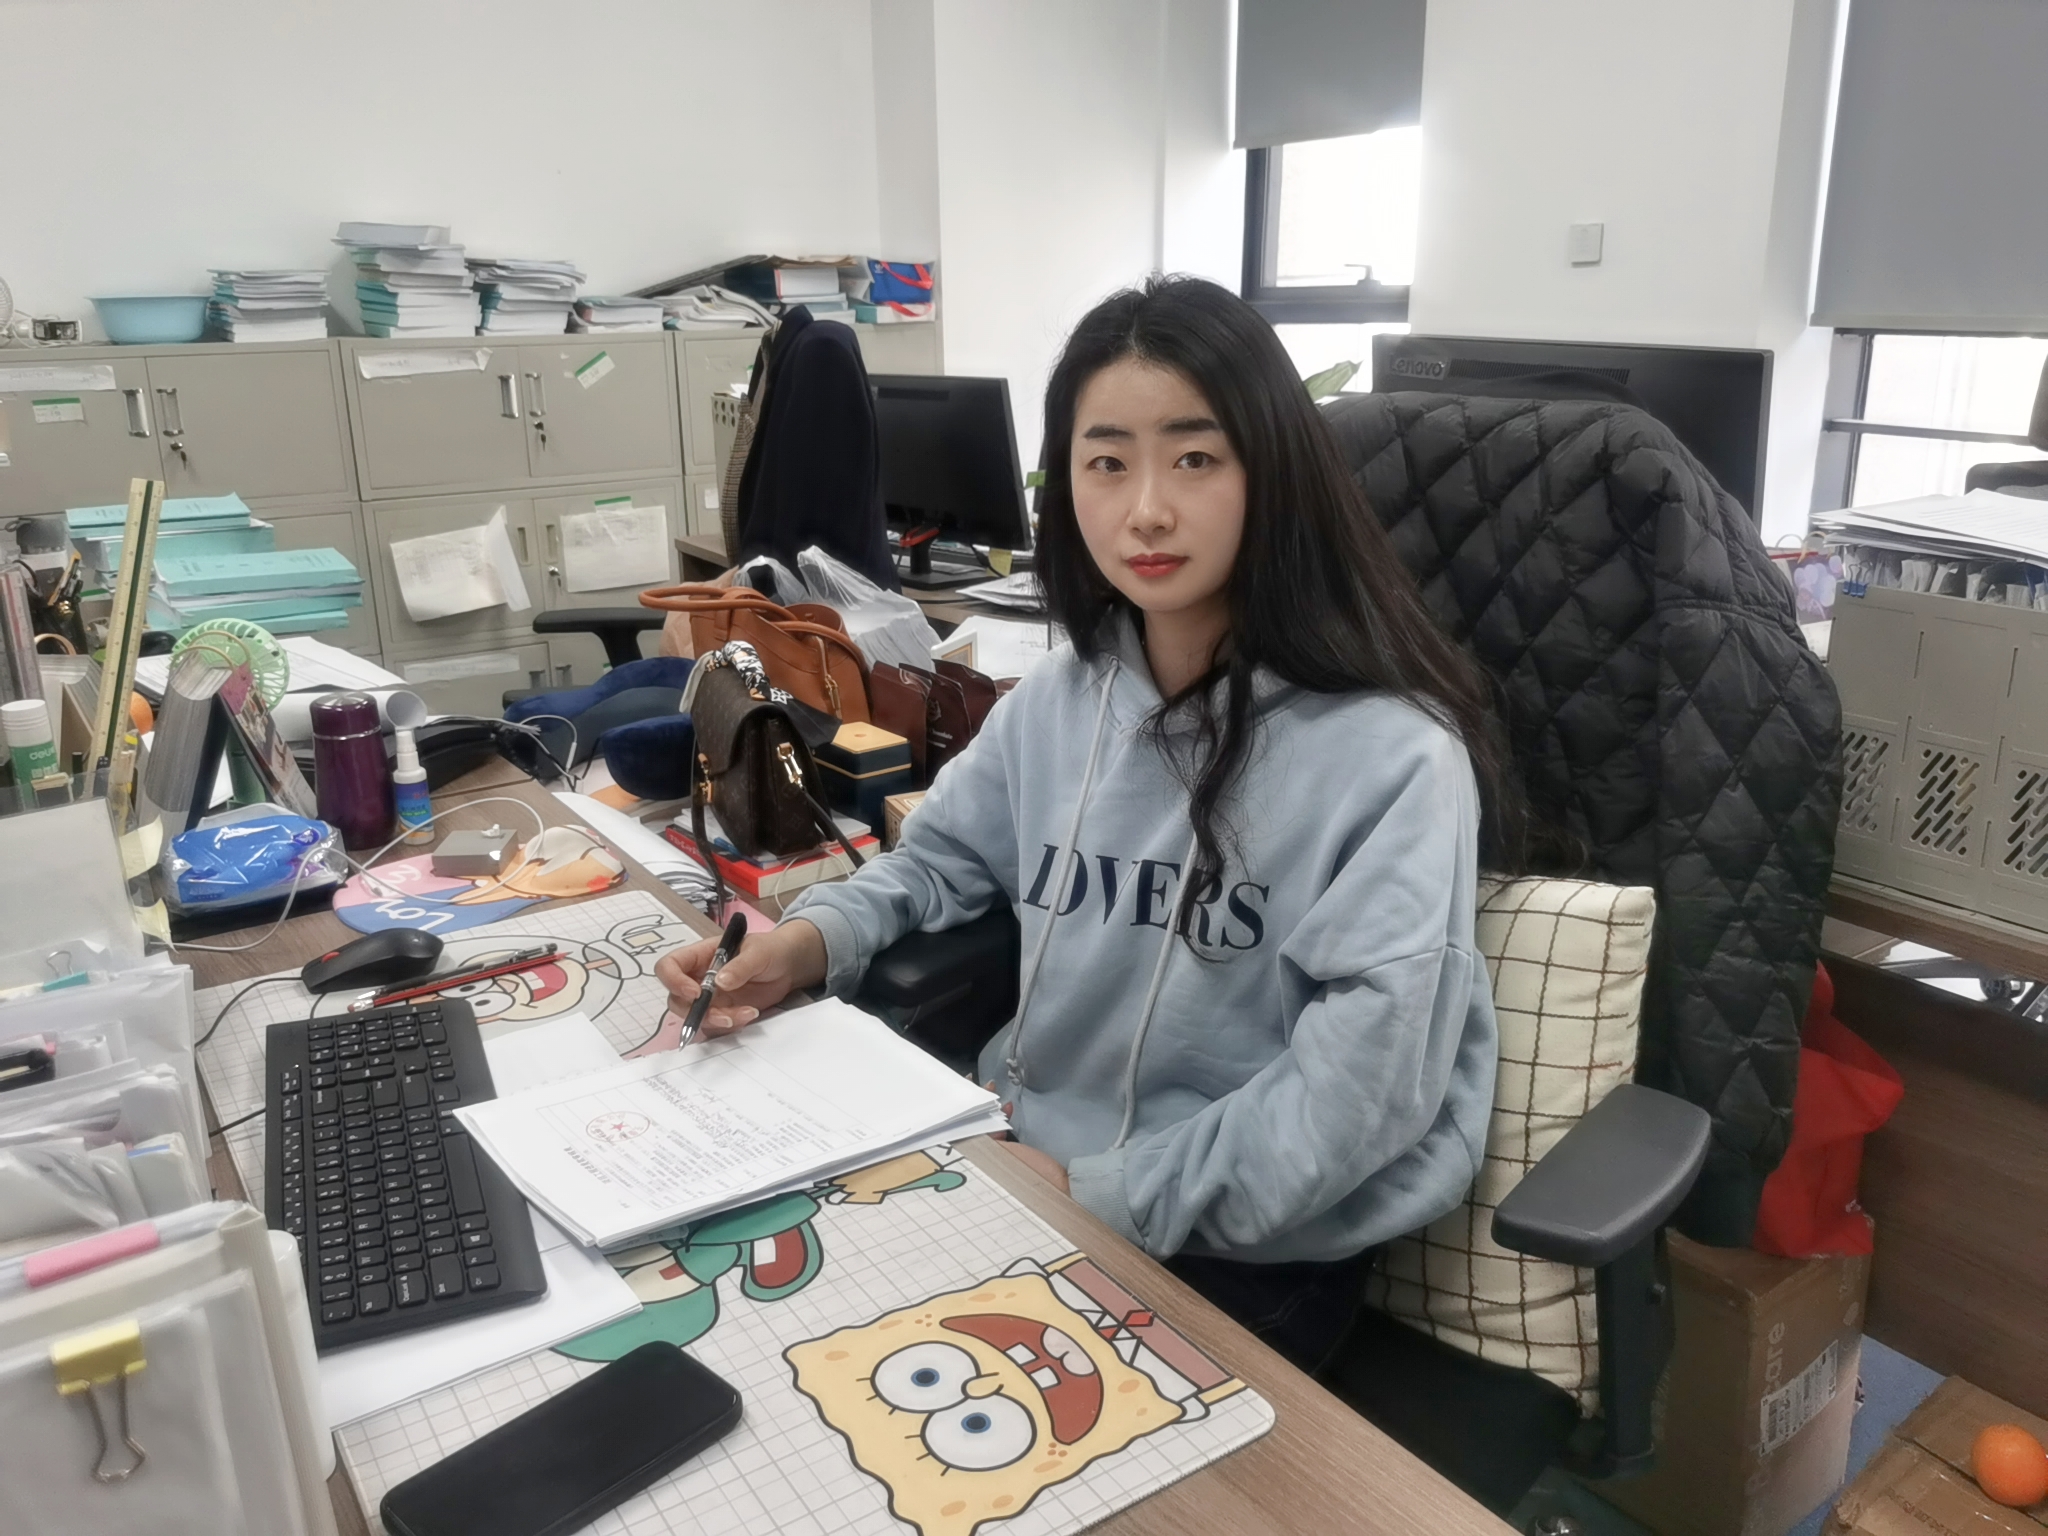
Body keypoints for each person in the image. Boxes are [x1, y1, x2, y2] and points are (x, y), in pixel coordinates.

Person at [656, 274, 1511, 1373]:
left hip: (1240, 1248)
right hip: (1020, 1158)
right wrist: (806, 942)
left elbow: (1358, 1098)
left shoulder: (1393, 758)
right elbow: (940, 862)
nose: (1144, 508)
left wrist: (1098, 1192)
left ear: (1273, 474)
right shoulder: (1063, 698)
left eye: (1194, 459)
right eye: (1106, 462)